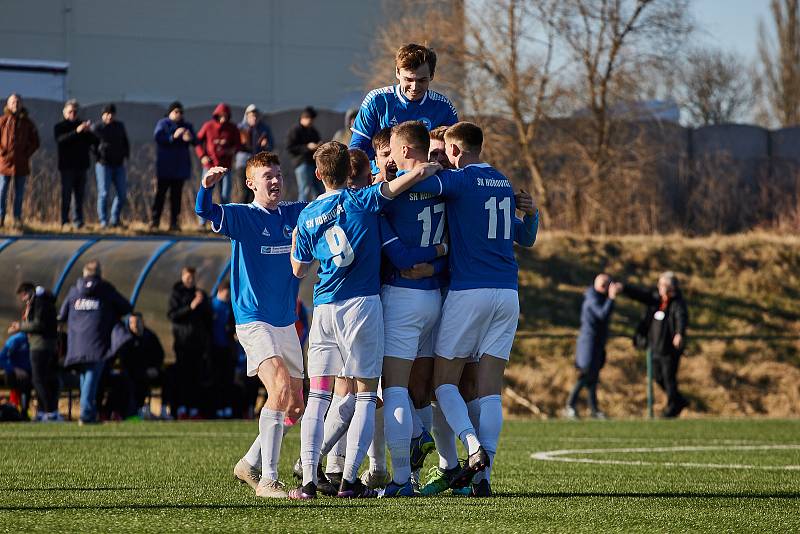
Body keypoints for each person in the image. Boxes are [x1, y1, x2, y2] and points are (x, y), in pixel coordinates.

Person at [288, 140, 440, 500]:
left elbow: (298, 268)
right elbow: (395, 187)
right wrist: (421, 170)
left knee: (318, 397)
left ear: (318, 174)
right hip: (361, 307)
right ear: (350, 172)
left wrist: (301, 240)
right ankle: (349, 481)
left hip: (324, 307)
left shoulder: (307, 214)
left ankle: (308, 481)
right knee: (367, 395)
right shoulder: (362, 199)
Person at [411, 121, 538, 497]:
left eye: (446, 152)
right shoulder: (501, 181)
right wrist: (531, 212)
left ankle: (472, 449)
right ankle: (484, 478)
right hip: (508, 293)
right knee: (490, 391)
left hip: (470, 292)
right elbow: (526, 237)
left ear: (457, 150)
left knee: (443, 382)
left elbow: (417, 185)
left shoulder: (461, 181)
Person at [195, 151, 309, 498]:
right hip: (253, 320)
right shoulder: (243, 216)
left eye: (278, 175)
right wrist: (206, 188)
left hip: (285, 321)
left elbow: (331, 206)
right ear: (250, 184)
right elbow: (207, 211)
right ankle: (268, 481)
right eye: (267, 176)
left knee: (295, 404)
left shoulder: (294, 213)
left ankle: (250, 462)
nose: (275, 181)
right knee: (277, 388)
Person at [380, 121, 451, 497]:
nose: (388, 155)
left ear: (407, 150)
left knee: (393, 388)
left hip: (403, 297)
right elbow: (452, 243)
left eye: (391, 147)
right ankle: (426, 465)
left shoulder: (392, 193)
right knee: (419, 391)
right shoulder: (443, 186)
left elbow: (400, 256)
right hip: (434, 300)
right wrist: (439, 256)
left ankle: (400, 479)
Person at [349, 44, 458, 161]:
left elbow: (455, 153)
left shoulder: (443, 106)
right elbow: (356, 150)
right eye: (408, 79)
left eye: (422, 80)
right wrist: (375, 172)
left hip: (425, 174)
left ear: (432, 75)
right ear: (397, 72)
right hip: (381, 175)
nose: (414, 87)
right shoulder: (376, 100)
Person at [59, 261, 132, 424]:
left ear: (84, 273)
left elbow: (62, 314)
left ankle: (88, 412)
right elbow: (127, 307)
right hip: (97, 341)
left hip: (76, 342)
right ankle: (86, 413)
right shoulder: (106, 290)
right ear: (99, 274)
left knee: (86, 376)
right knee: (92, 375)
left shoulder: (73, 291)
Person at [622, 272, 690, 418]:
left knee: (669, 378)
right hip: (655, 349)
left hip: (669, 350)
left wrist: (679, 333)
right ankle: (678, 401)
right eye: (659, 284)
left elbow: (681, 318)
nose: (660, 287)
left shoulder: (677, 303)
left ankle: (673, 407)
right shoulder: (656, 300)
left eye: (663, 284)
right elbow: (640, 295)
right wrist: (624, 288)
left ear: (671, 287)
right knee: (658, 377)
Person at [564, 274, 621, 419]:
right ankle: (570, 405)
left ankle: (594, 409)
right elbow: (602, 314)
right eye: (603, 284)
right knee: (585, 374)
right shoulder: (592, 298)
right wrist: (612, 298)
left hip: (597, 343)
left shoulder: (599, 296)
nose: (605, 287)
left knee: (593, 377)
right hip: (588, 343)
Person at [167, 266, 212, 419]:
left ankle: (194, 409)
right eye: (187, 277)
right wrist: (191, 307)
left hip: (198, 344)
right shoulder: (176, 294)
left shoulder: (200, 295)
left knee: (196, 377)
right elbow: (173, 315)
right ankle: (181, 408)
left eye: (192, 277)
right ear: (182, 276)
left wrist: (203, 303)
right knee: (183, 378)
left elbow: (208, 318)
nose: (190, 280)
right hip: (182, 344)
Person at [12, 283, 59, 421]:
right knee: (43, 379)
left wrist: (20, 326)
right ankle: (44, 412)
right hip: (45, 345)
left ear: (28, 292)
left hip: (40, 346)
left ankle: (49, 412)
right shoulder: (44, 301)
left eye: (23, 296)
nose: (23, 300)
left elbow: (38, 324)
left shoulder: (39, 302)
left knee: (38, 380)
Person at [110, 313, 164, 419]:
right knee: (132, 380)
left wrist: (155, 368)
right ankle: (133, 411)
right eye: (132, 323)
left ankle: (165, 410)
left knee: (170, 376)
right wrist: (143, 370)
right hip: (133, 372)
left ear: (143, 322)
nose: (135, 325)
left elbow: (159, 355)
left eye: (137, 322)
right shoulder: (126, 338)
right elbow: (125, 360)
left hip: (151, 371)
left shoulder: (150, 337)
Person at [152, 101, 196, 231]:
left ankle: (174, 223)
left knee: (176, 197)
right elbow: (158, 138)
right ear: (170, 112)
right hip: (165, 168)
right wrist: (173, 136)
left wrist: (190, 138)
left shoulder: (186, 126)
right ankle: (155, 221)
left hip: (179, 169)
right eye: (176, 112)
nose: (179, 114)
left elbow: (196, 141)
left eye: (181, 112)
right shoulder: (163, 124)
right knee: (160, 195)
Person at [54, 99, 96, 230]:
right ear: (65, 113)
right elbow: (61, 140)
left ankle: (79, 221)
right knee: (66, 194)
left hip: (81, 166)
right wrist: (76, 132)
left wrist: (88, 131)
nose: (73, 114)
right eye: (70, 111)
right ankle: (64, 221)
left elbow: (94, 142)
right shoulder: (60, 126)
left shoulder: (82, 126)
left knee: (79, 196)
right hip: (67, 167)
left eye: (75, 111)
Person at [0, 93, 39, 229]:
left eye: (18, 102)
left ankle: (17, 219)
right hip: (4, 164)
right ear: (8, 104)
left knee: (19, 194)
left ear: (21, 104)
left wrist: (25, 154)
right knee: (2, 191)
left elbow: (35, 142)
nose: (15, 104)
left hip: (21, 164)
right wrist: (2, 153)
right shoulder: (3, 121)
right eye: (13, 102)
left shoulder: (27, 123)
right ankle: (1, 219)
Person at [195, 103, 240, 211]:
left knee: (225, 194)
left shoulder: (232, 128)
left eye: (225, 116)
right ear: (217, 115)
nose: (223, 118)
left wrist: (232, 150)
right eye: (221, 115)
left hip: (225, 167)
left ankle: (224, 219)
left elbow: (238, 144)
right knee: (206, 191)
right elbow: (197, 142)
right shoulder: (208, 126)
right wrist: (202, 156)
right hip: (209, 166)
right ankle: (202, 221)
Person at [92, 104, 130, 228]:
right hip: (104, 165)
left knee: (122, 194)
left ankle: (115, 219)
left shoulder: (119, 126)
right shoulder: (97, 128)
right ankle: (103, 220)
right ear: (103, 115)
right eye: (107, 114)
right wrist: (98, 156)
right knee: (104, 193)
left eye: (112, 114)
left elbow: (125, 142)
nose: (109, 116)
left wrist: (125, 155)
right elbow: (92, 145)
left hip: (118, 164)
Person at [235, 104, 274, 204]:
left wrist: (266, 145)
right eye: (252, 116)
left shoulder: (264, 129)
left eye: (256, 116)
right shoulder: (240, 128)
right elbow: (234, 146)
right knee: (243, 192)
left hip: (257, 165)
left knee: (254, 192)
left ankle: (251, 216)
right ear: (246, 116)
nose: (254, 118)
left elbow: (271, 146)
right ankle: (241, 215)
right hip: (243, 164)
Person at [210, 280, 236, 419]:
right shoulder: (212, 306)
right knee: (216, 380)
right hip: (214, 349)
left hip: (227, 349)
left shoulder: (230, 307)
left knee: (227, 380)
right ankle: (217, 408)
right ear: (220, 291)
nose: (228, 297)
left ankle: (226, 408)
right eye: (226, 294)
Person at [286, 106, 321, 201]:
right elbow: (290, 148)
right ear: (304, 118)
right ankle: (300, 211)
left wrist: (318, 146)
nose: (312, 122)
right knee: (305, 190)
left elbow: (318, 141)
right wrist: (307, 147)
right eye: (310, 119)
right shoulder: (295, 130)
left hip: (314, 163)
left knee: (318, 191)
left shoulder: (313, 131)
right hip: (302, 163)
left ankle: (319, 211)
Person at [0, 331, 32, 417]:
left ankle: (44, 413)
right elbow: (1, 358)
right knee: (24, 382)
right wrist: (14, 369)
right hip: (13, 374)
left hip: (30, 374)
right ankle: (22, 412)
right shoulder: (17, 339)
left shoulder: (39, 340)